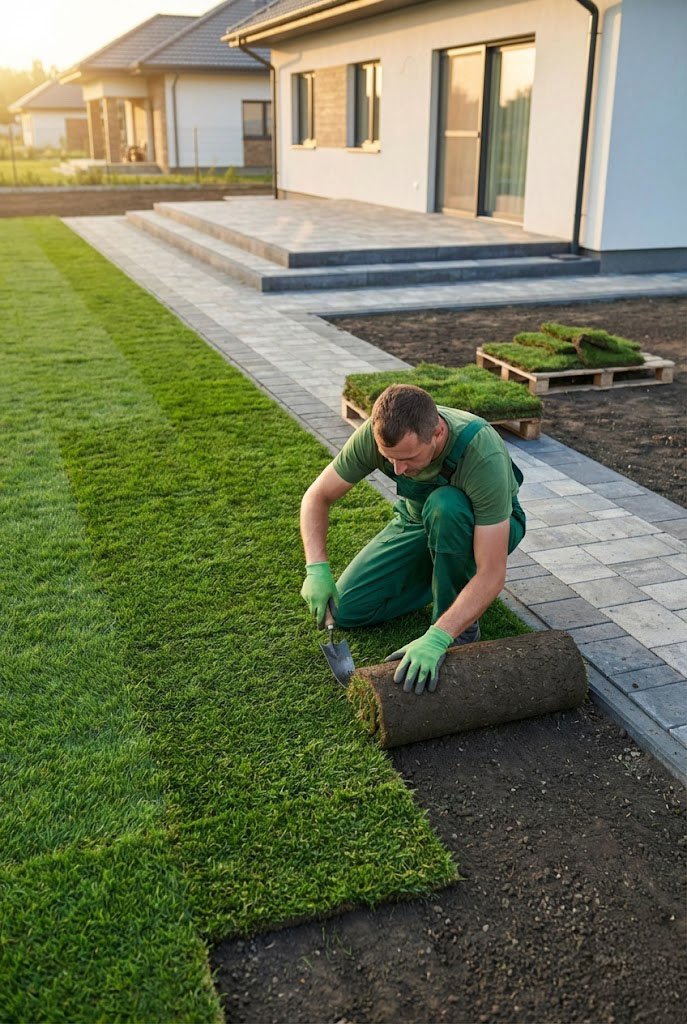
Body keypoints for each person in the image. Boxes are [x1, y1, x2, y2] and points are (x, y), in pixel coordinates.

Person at [300, 384, 526, 695]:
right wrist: (317, 568)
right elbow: (317, 496)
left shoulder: (480, 453)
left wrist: (440, 635)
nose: (397, 469)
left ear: (437, 434)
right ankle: (444, 577)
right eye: (388, 458)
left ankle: (457, 624)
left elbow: (492, 573)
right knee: (348, 610)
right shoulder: (379, 434)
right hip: (417, 518)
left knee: (446, 506)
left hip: (482, 525)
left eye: (408, 458)